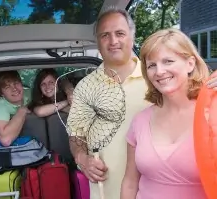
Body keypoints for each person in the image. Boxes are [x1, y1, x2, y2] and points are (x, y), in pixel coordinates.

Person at [66, 6, 150, 199]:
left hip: (154, 190)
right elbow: (76, 134)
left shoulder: (156, 77)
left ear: (132, 36)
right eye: (105, 35)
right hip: (106, 192)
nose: (113, 41)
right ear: (98, 42)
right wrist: (82, 159)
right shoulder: (85, 87)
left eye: (120, 33)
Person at [120, 28, 210, 199]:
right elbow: (130, 182)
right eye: (152, 65)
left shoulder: (211, 115)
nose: (159, 71)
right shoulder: (140, 120)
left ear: (190, 64)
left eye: (168, 61)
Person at [0, 71, 29, 146]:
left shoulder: (29, 93)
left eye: (16, 83)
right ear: (1, 93)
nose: (14, 89)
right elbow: (6, 140)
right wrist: (22, 111)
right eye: (7, 87)